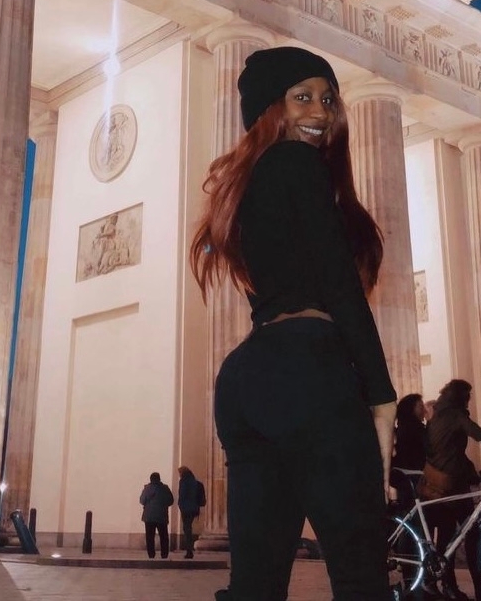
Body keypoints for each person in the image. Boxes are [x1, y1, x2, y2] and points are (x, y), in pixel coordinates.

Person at [189, 46, 397, 601]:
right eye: (302, 97)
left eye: (328, 99)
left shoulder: (249, 183)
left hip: (249, 380)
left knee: (255, 586)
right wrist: (380, 394)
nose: (321, 112)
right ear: (269, 108)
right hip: (310, 372)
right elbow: (338, 284)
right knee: (361, 578)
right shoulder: (295, 164)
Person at [418, 379, 481, 601]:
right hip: (453, 484)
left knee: (446, 539)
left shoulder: (436, 418)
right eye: (468, 394)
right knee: (471, 535)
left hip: (437, 484)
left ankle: (446, 584)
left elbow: (444, 450)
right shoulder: (455, 415)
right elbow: (477, 433)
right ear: (460, 395)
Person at [390, 394, 427, 506]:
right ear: (411, 410)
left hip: (402, 475)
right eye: (421, 407)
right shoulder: (415, 429)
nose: (424, 411)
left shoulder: (402, 428)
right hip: (414, 476)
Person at [139, 471, 174, 559]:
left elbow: (142, 500)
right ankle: (164, 554)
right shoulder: (165, 488)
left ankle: (151, 554)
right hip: (162, 516)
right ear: (159, 479)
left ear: (150, 479)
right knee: (163, 536)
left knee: (150, 536)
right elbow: (171, 500)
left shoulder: (147, 488)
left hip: (149, 517)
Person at [176, 465, 206, 559]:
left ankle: (189, 550)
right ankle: (189, 549)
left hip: (185, 509)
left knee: (187, 529)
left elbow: (182, 495)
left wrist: (180, 505)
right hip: (194, 509)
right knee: (189, 527)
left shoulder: (183, 482)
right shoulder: (197, 483)